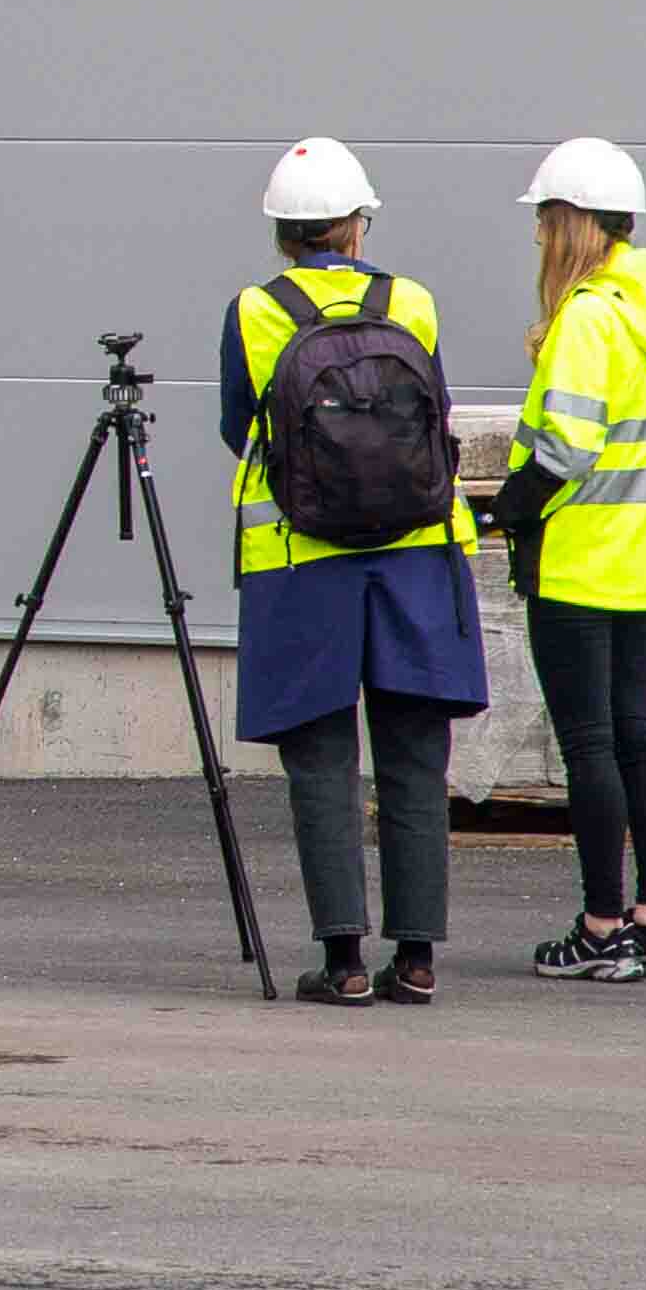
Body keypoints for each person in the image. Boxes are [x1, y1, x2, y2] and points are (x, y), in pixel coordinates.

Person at [219, 135, 475, 1003]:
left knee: (322, 760)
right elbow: (430, 410)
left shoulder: (255, 310)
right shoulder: (414, 302)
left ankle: (341, 963)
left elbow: (240, 427)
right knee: (413, 753)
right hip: (415, 553)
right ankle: (416, 957)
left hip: (300, 562)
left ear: (283, 232)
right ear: (356, 226)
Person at [501, 138, 646, 981]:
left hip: (575, 558)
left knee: (587, 745)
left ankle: (600, 928)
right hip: (638, 555)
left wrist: (503, 510)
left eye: (544, 220)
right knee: (636, 739)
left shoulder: (587, 314)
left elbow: (566, 447)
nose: (539, 237)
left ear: (567, 223)